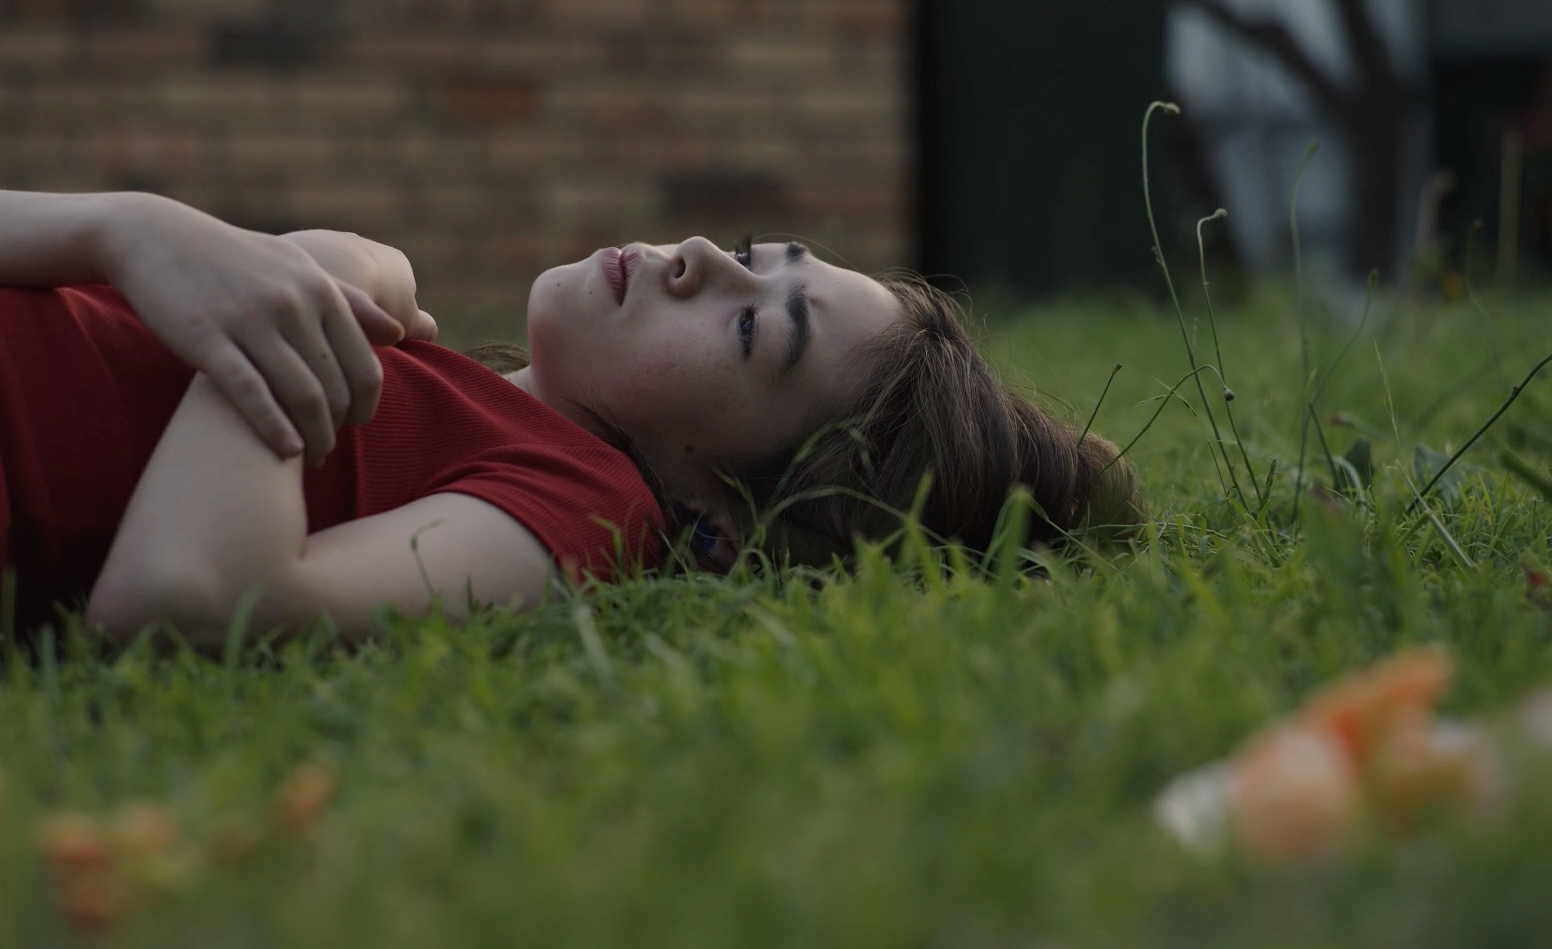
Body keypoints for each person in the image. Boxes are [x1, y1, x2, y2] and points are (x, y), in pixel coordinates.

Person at [0, 190, 1142, 648]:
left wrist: (308, 287)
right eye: (753, 260)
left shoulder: (581, 509)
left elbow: (185, 600)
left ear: (723, 515)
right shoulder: (425, 360)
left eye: (753, 330)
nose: (700, 259)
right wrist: (122, 232)